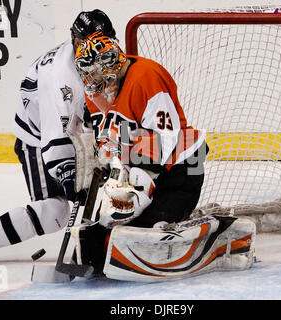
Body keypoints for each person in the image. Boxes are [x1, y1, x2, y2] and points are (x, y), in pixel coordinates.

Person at [0, 10, 117, 267]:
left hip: (74, 130)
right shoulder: (61, 79)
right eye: (88, 43)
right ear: (75, 40)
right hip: (38, 138)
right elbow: (56, 137)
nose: (95, 50)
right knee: (56, 211)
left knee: (97, 184)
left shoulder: (94, 59)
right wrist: (68, 175)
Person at [72, 32, 210, 274]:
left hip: (185, 164)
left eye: (93, 72)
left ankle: (211, 231)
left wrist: (136, 194)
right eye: (86, 74)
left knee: (147, 229)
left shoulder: (146, 77)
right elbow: (109, 140)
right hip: (141, 164)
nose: (90, 80)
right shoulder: (96, 91)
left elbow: (165, 140)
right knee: (105, 231)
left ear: (110, 64)